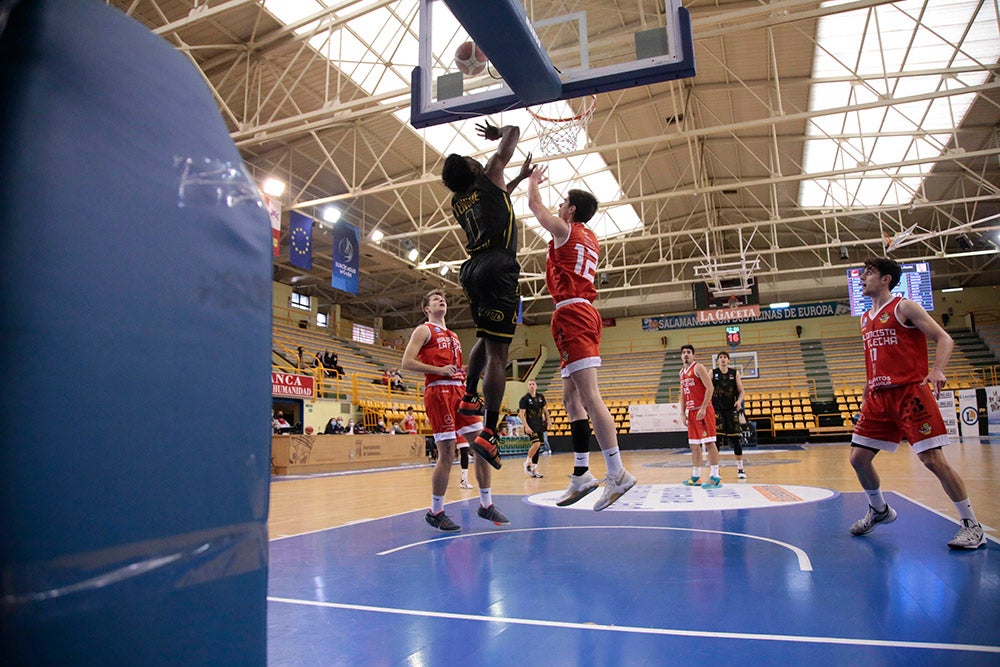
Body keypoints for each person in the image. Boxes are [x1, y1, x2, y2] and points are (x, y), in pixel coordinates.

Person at [849, 257, 984, 549]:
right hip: (877, 397)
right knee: (858, 459)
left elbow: (943, 338)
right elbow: (875, 359)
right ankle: (880, 510)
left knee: (932, 460)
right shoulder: (864, 317)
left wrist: (937, 370)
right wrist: (866, 391)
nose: (862, 278)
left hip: (909, 393)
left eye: (869, 273)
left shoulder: (904, 307)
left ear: (886, 279)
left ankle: (972, 525)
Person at [526, 167, 637, 510]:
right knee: (570, 399)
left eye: (563, 203)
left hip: (574, 313)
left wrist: (533, 181)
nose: (559, 206)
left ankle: (617, 474)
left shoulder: (566, 230)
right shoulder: (590, 237)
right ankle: (581, 474)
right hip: (573, 313)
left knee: (589, 397)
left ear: (572, 210)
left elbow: (534, 208)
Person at [441, 121, 533, 471]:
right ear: (473, 168)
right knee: (500, 353)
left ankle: (467, 399)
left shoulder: (459, 199)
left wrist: (519, 180)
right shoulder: (490, 171)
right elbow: (514, 131)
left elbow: (499, 199)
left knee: (484, 336)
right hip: (498, 265)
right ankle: (490, 432)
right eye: (469, 159)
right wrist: (499, 134)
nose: (474, 158)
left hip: (473, 269)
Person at [401, 288, 509, 531]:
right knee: (447, 453)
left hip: (461, 392)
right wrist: (440, 370)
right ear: (427, 308)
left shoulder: (454, 335)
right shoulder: (423, 330)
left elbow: (456, 368)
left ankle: (486, 503)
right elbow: (406, 362)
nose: (442, 300)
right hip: (439, 392)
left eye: (444, 299)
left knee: (481, 447)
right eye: (436, 299)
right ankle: (435, 511)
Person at [679, 345, 722, 488]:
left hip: (703, 410)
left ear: (693, 355)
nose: (686, 355)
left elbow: (710, 388)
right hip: (691, 412)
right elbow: (683, 395)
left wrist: (703, 407)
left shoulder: (698, 368)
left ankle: (715, 476)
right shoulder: (681, 372)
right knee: (694, 445)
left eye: (688, 352)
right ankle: (696, 476)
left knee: (709, 443)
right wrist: (682, 413)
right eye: (684, 353)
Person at [712, 351, 746, 479]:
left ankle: (740, 469)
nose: (723, 359)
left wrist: (739, 401)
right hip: (717, 410)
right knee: (716, 441)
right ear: (717, 361)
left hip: (731, 410)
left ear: (728, 360)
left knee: (736, 440)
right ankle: (716, 471)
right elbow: (707, 388)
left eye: (725, 357)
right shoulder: (713, 373)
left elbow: (742, 391)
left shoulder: (734, 373)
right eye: (720, 357)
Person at [518, 379, 549, 478]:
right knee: (536, 444)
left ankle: (534, 469)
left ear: (536, 386)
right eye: (530, 384)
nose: (531, 386)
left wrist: (549, 420)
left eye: (533, 384)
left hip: (539, 425)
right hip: (531, 426)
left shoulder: (541, 397)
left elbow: (545, 411)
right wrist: (526, 427)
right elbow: (521, 414)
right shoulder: (524, 399)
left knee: (538, 447)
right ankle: (527, 461)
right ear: (528, 387)